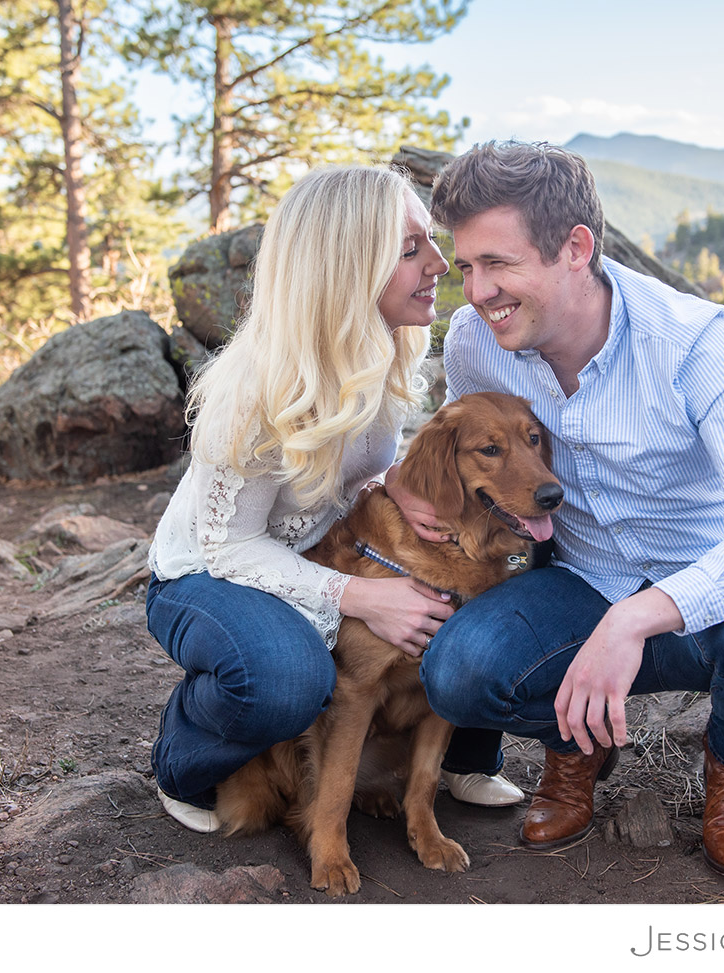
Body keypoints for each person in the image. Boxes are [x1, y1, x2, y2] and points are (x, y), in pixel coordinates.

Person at [387, 141, 724, 878]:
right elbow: (472, 459)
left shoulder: (695, 344)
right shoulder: (475, 342)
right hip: (579, 579)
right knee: (457, 671)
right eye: (466, 267)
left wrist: (634, 617)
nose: (476, 290)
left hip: (706, 589)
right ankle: (579, 740)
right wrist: (402, 484)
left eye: (498, 264)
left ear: (575, 248)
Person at [145, 164, 519, 834]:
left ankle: (460, 754)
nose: (441, 263)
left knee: (468, 585)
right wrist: (364, 596)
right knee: (290, 680)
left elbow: (343, 476)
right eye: (410, 250)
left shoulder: (387, 344)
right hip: (208, 570)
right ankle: (185, 752)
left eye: (429, 242)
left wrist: (390, 485)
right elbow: (230, 544)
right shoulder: (259, 390)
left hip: (319, 548)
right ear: (347, 270)